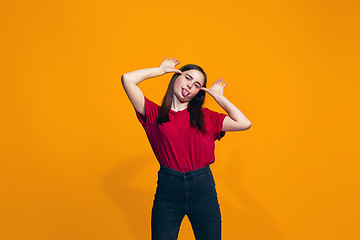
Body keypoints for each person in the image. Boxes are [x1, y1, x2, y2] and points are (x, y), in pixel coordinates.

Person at [121, 57, 251, 240]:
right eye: (188, 77)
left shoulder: (206, 117)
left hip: (203, 188)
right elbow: (127, 79)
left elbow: (244, 123)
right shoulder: (154, 114)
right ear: (176, 77)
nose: (190, 85)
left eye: (197, 84)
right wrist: (161, 70)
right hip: (168, 189)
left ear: (199, 92)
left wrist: (219, 97)